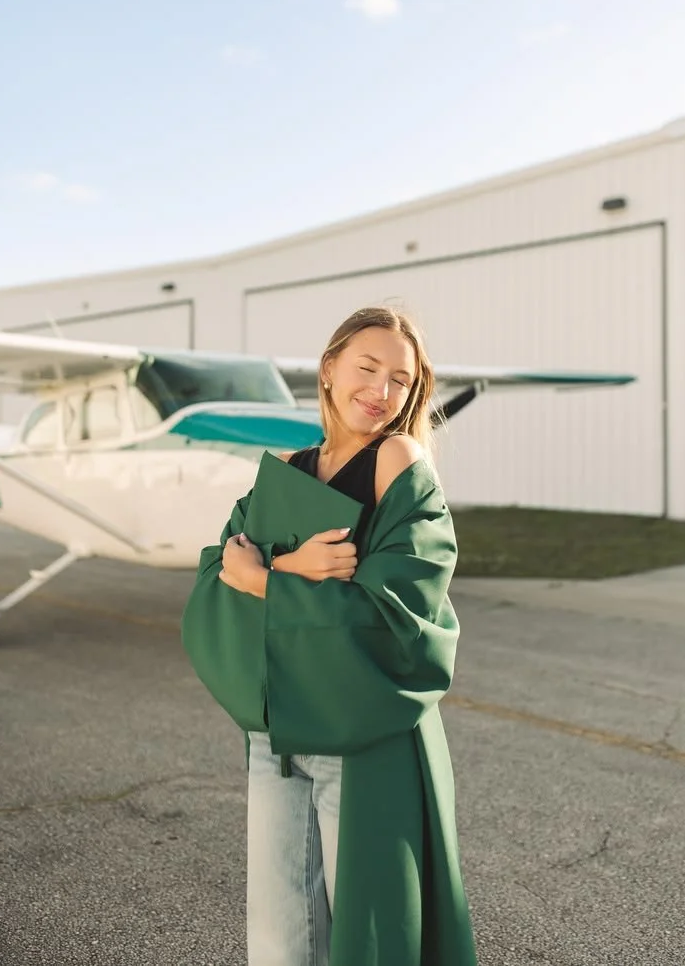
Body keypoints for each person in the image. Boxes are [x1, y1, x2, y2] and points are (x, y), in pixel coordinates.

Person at [182, 305, 477, 966]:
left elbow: (398, 611)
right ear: (328, 371)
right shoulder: (292, 464)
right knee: (280, 936)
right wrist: (286, 569)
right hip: (278, 734)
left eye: (400, 380)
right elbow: (219, 571)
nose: (380, 391)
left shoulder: (396, 460)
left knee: (368, 935)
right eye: (367, 369)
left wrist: (266, 582)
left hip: (360, 734)